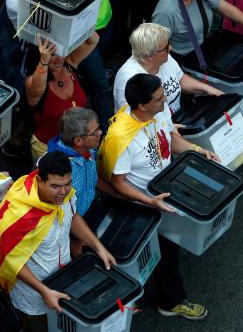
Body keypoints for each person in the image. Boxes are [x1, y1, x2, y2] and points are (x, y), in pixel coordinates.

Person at [99, 73, 218, 320]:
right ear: (142, 105)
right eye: (159, 97)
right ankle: (171, 301)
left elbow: (172, 142)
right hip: (143, 206)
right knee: (164, 253)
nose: (166, 99)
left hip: (163, 193)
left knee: (167, 249)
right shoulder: (120, 138)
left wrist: (199, 150)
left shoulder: (159, 113)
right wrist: (149, 202)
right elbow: (116, 183)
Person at [0, 151, 115, 331]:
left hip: (65, 279)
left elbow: (73, 216)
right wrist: (44, 291)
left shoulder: (63, 195)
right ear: (39, 181)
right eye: (56, 186)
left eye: (67, 184)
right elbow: (11, 262)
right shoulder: (19, 216)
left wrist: (99, 248)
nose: (63, 192)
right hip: (33, 296)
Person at [113, 22, 222, 113]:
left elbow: (180, 79)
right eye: (165, 47)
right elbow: (133, 119)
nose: (170, 48)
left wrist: (208, 89)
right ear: (149, 55)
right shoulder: (129, 81)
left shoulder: (165, 58)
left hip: (176, 120)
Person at [24, 34, 98, 160]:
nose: (58, 59)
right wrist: (44, 61)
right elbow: (36, 88)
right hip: (48, 149)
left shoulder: (69, 64)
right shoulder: (33, 81)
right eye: (52, 54)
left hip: (78, 145)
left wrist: (72, 19)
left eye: (60, 52)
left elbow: (93, 40)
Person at [44, 108, 116, 216]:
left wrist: (116, 194)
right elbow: (65, 214)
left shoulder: (88, 147)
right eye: (95, 132)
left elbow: (93, 179)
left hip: (89, 211)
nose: (100, 133)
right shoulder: (60, 172)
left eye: (98, 128)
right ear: (78, 141)